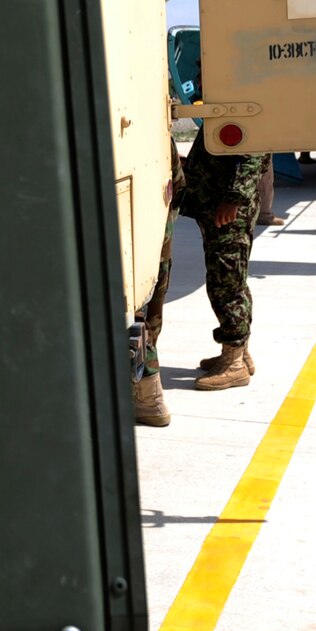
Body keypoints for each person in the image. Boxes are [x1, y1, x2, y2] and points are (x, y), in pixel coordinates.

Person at [180, 132, 265, 390]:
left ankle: (234, 365)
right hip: (217, 203)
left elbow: (253, 152)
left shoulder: (242, 101)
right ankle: (239, 351)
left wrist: (233, 198)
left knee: (225, 283)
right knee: (231, 280)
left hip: (227, 209)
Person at [132, 135, 184, 428]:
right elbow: (179, 184)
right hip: (157, 240)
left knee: (135, 317)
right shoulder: (158, 133)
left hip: (136, 244)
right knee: (149, 316)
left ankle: (149, 400)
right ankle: (146, 395)